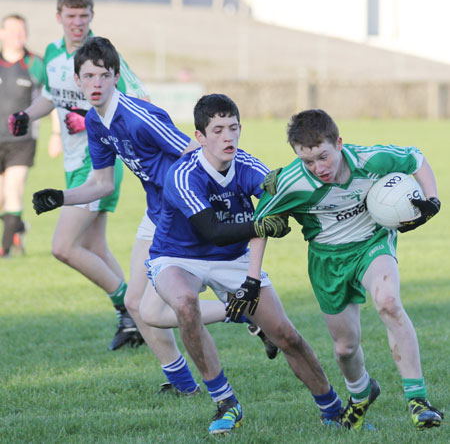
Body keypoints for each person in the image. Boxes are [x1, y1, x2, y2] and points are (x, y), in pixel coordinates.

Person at [31, 37, 282, 396]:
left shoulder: (139, 117)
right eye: (88, 76)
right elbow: (101, 183)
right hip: (157, 212)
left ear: (117, 76)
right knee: (142, 307)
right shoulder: (95, 122)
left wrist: (218, 200)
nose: (96, 84)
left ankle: (223, 347)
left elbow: (194, 151)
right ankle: (237, 319)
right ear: (76, 80)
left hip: (183, 213)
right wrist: (62, 197)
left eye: (103, 75)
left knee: (156, 306)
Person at [140, 94, 353, 435]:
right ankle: (226, 403)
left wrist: (251, 279)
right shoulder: (182, 174)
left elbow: (271, 210)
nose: (228, 137)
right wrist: (259, 224)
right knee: (183, 303)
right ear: (200, 137)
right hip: (178, 256)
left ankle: (332, 410)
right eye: (218, 129)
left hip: (235, 258)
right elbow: (213, 230)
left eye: (234, 128)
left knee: (286, 335)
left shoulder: (251, 167)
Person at [252, 108, 443, 430]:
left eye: (323, 157)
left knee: (388, 303)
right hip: (327, 261)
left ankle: (418, 400)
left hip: (372, 244)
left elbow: (416, 158)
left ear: (339, 143)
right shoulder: (291, 182)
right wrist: (252, 279)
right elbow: (260, 226)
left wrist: (433, 200)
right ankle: (360, 394)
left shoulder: (370, 160)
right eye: (307, 161)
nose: (318, 168)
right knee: (344, 348)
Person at [8, 0, 147, 350]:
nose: (77, 23)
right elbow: (53, 98)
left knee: (63, 247)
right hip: (73, 163)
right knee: (95, 247)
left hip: (100, 163)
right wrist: (26, 115)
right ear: (59, 17)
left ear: (91, 17)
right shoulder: (54, 54)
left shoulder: (102, 54)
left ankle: (128, 307)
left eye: (83, 16)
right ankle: (137, 317)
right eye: (70, 16)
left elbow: (136, 97)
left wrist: (92, 119)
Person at [0, 14, 45, 257]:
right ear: (2, 33)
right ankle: (17, 229)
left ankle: (4, 251)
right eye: (12, 30)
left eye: (21, 31)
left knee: (14, 189)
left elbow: (52, 98)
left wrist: (57, 134)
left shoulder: (35, 64)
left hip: (22, 140)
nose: (18, 35)